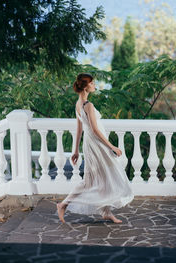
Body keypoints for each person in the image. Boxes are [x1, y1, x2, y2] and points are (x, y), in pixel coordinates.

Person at [56, 73, 134, 223]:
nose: (95, 85)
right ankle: (63, 205)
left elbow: (80, 129)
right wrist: (112, 147)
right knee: (89, 181)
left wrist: (76, 150)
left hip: (90, 143)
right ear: (86, 86)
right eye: (92, 83)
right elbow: (94, 129)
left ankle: (106, 212)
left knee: (106, 175)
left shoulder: (78, 104)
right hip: (96, 144)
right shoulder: (88, 105)